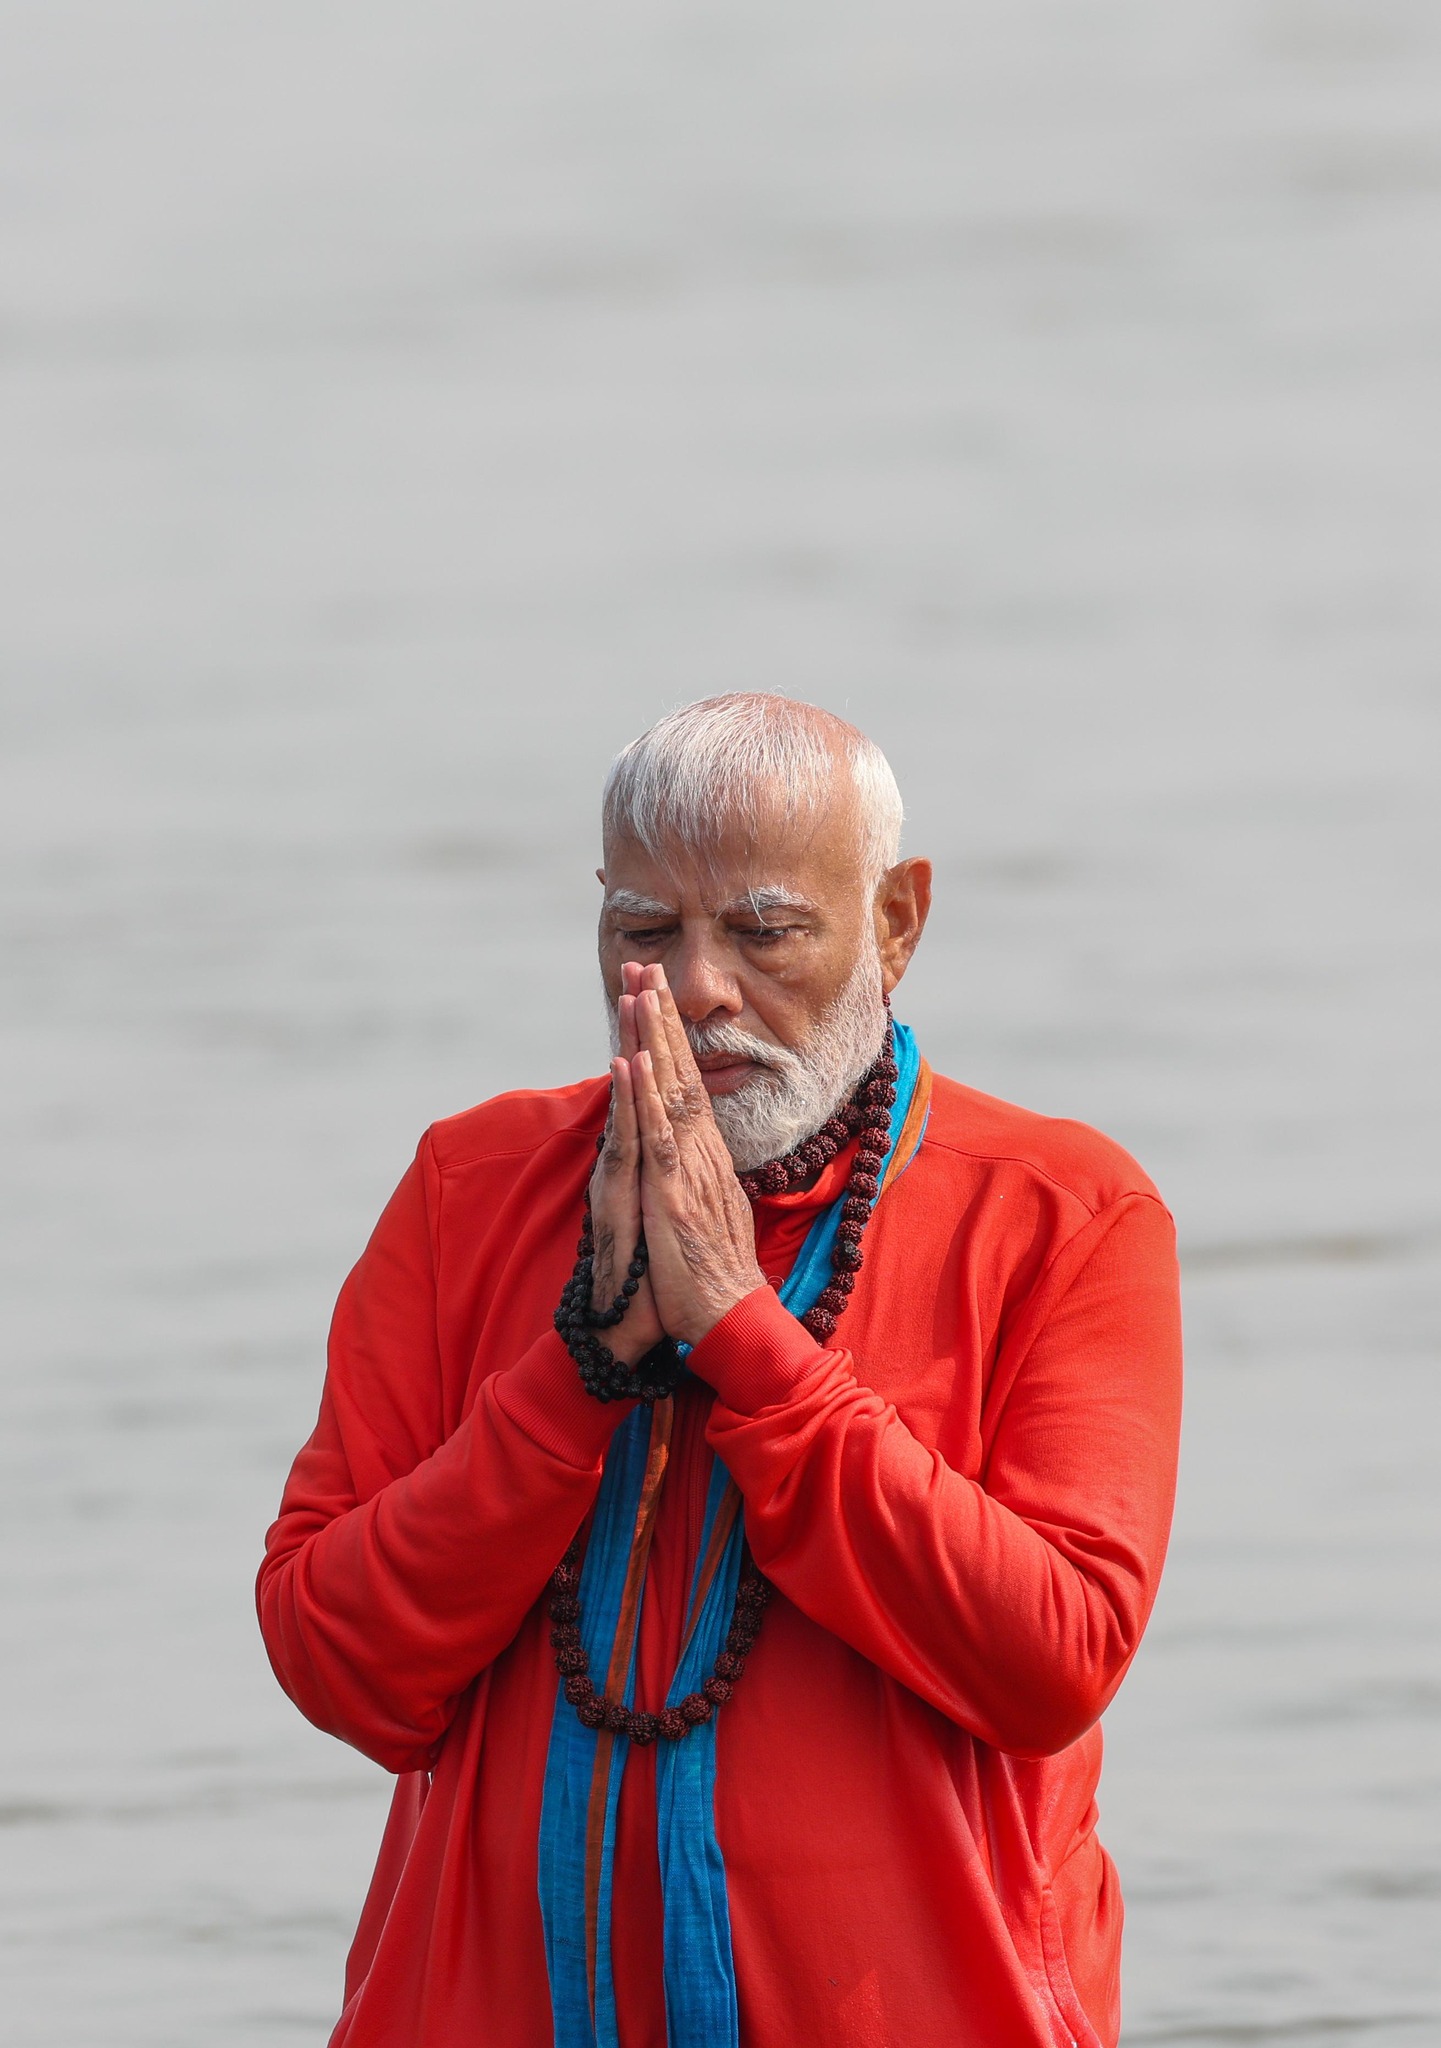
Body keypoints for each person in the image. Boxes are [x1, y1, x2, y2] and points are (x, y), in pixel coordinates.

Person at [258, 692, 1183, 2048]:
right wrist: (578, 1373)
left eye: (764, 930)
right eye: (645, 932)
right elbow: (337, 1661)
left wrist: (748, 1344)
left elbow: (1050, 1661)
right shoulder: (470, 1187)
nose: (697, 989)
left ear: (895, 925)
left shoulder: (1060, 1211)